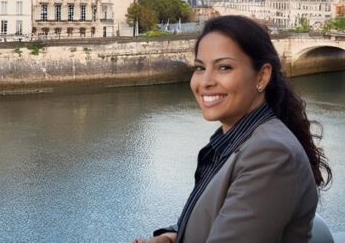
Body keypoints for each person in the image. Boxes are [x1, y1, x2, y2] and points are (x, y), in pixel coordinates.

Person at [132, 15, 332, 243]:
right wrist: (171, 239)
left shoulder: (271, 154)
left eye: (224, 67)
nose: (205, 81)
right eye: (199, 68)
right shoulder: (240, 142)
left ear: (262, 76)